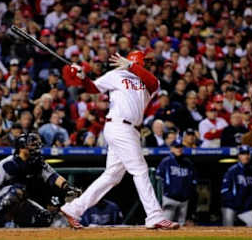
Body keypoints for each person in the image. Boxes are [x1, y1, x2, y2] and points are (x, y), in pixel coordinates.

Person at [60, 51, 179, 230]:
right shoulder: (115, 75)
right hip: (118, 126)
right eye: (144, 61)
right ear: (137, 60)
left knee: (112, 176)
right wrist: (83, 77)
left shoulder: (149, 82)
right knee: (140, 170)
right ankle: (154, 215)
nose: (148, 64)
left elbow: (153, 82)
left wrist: (131, 66)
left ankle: (73, 208)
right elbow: (93, 88)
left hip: (131, 130)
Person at [0, 133, 81, 227]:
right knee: (18, 190)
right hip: (2, 198)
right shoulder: (8, 163)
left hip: (23, 201)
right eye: (32, 145)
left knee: (46, 218)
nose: (36, 148)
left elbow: (53, 177)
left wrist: (67, 188)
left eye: (36, 145)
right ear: (22, 148)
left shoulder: (38, 162)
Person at [156, 139, 197, 226]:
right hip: (169, 199)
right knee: (166, 226)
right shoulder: (166, 162)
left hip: (184, 201)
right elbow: (158, 180)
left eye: (180, 147)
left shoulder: (188, 163)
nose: (179, 149)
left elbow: (193, 181)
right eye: (176, 147)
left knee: (180, 226)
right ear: (171, 149)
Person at [221, 145, 252, 227]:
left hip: (244, 207)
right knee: (228, 229)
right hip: (230, 206)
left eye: (247, 154)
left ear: (250, 155)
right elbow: (224, 191)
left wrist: (247, 205)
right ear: (239, 156)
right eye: (243, 154)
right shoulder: (232, 171)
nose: (245, 156)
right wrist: (234, 203)